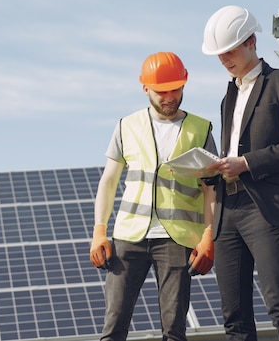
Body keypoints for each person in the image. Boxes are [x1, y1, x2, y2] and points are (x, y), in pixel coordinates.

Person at [201, 5, 279, 341]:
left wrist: (246, 162)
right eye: (220, 54)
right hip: (227, 210)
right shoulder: (228, 96)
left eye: (230, 50)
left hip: (265, 208)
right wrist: (214, 168)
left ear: (251, 41)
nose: (224, 59)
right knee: (234, 317)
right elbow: (232, 150)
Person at [89, 51, 218, 341]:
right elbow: (108, 181)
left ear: (185, 83)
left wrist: (208, 235)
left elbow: (211, 187)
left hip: (178, 239)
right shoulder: (127, 126)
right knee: (113, 328)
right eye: (161, 91)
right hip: (129, 237)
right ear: (145, 88)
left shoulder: (201, 129)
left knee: (174, 331)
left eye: (176, 89)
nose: (169, 96)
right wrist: (99, 231)